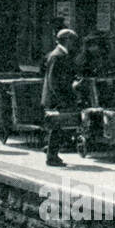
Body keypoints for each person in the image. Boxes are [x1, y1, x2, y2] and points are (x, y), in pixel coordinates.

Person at [41, 28, 79, 167]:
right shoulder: (57, 55)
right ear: (67, 40)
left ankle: (52, 153)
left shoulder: (61, 54)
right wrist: (61, 99)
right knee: (57, 127)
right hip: (56, 98)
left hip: (57, 97)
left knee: (58, 127)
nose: (74, 43)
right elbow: (53, 81)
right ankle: (51, 157)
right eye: (73, 40)